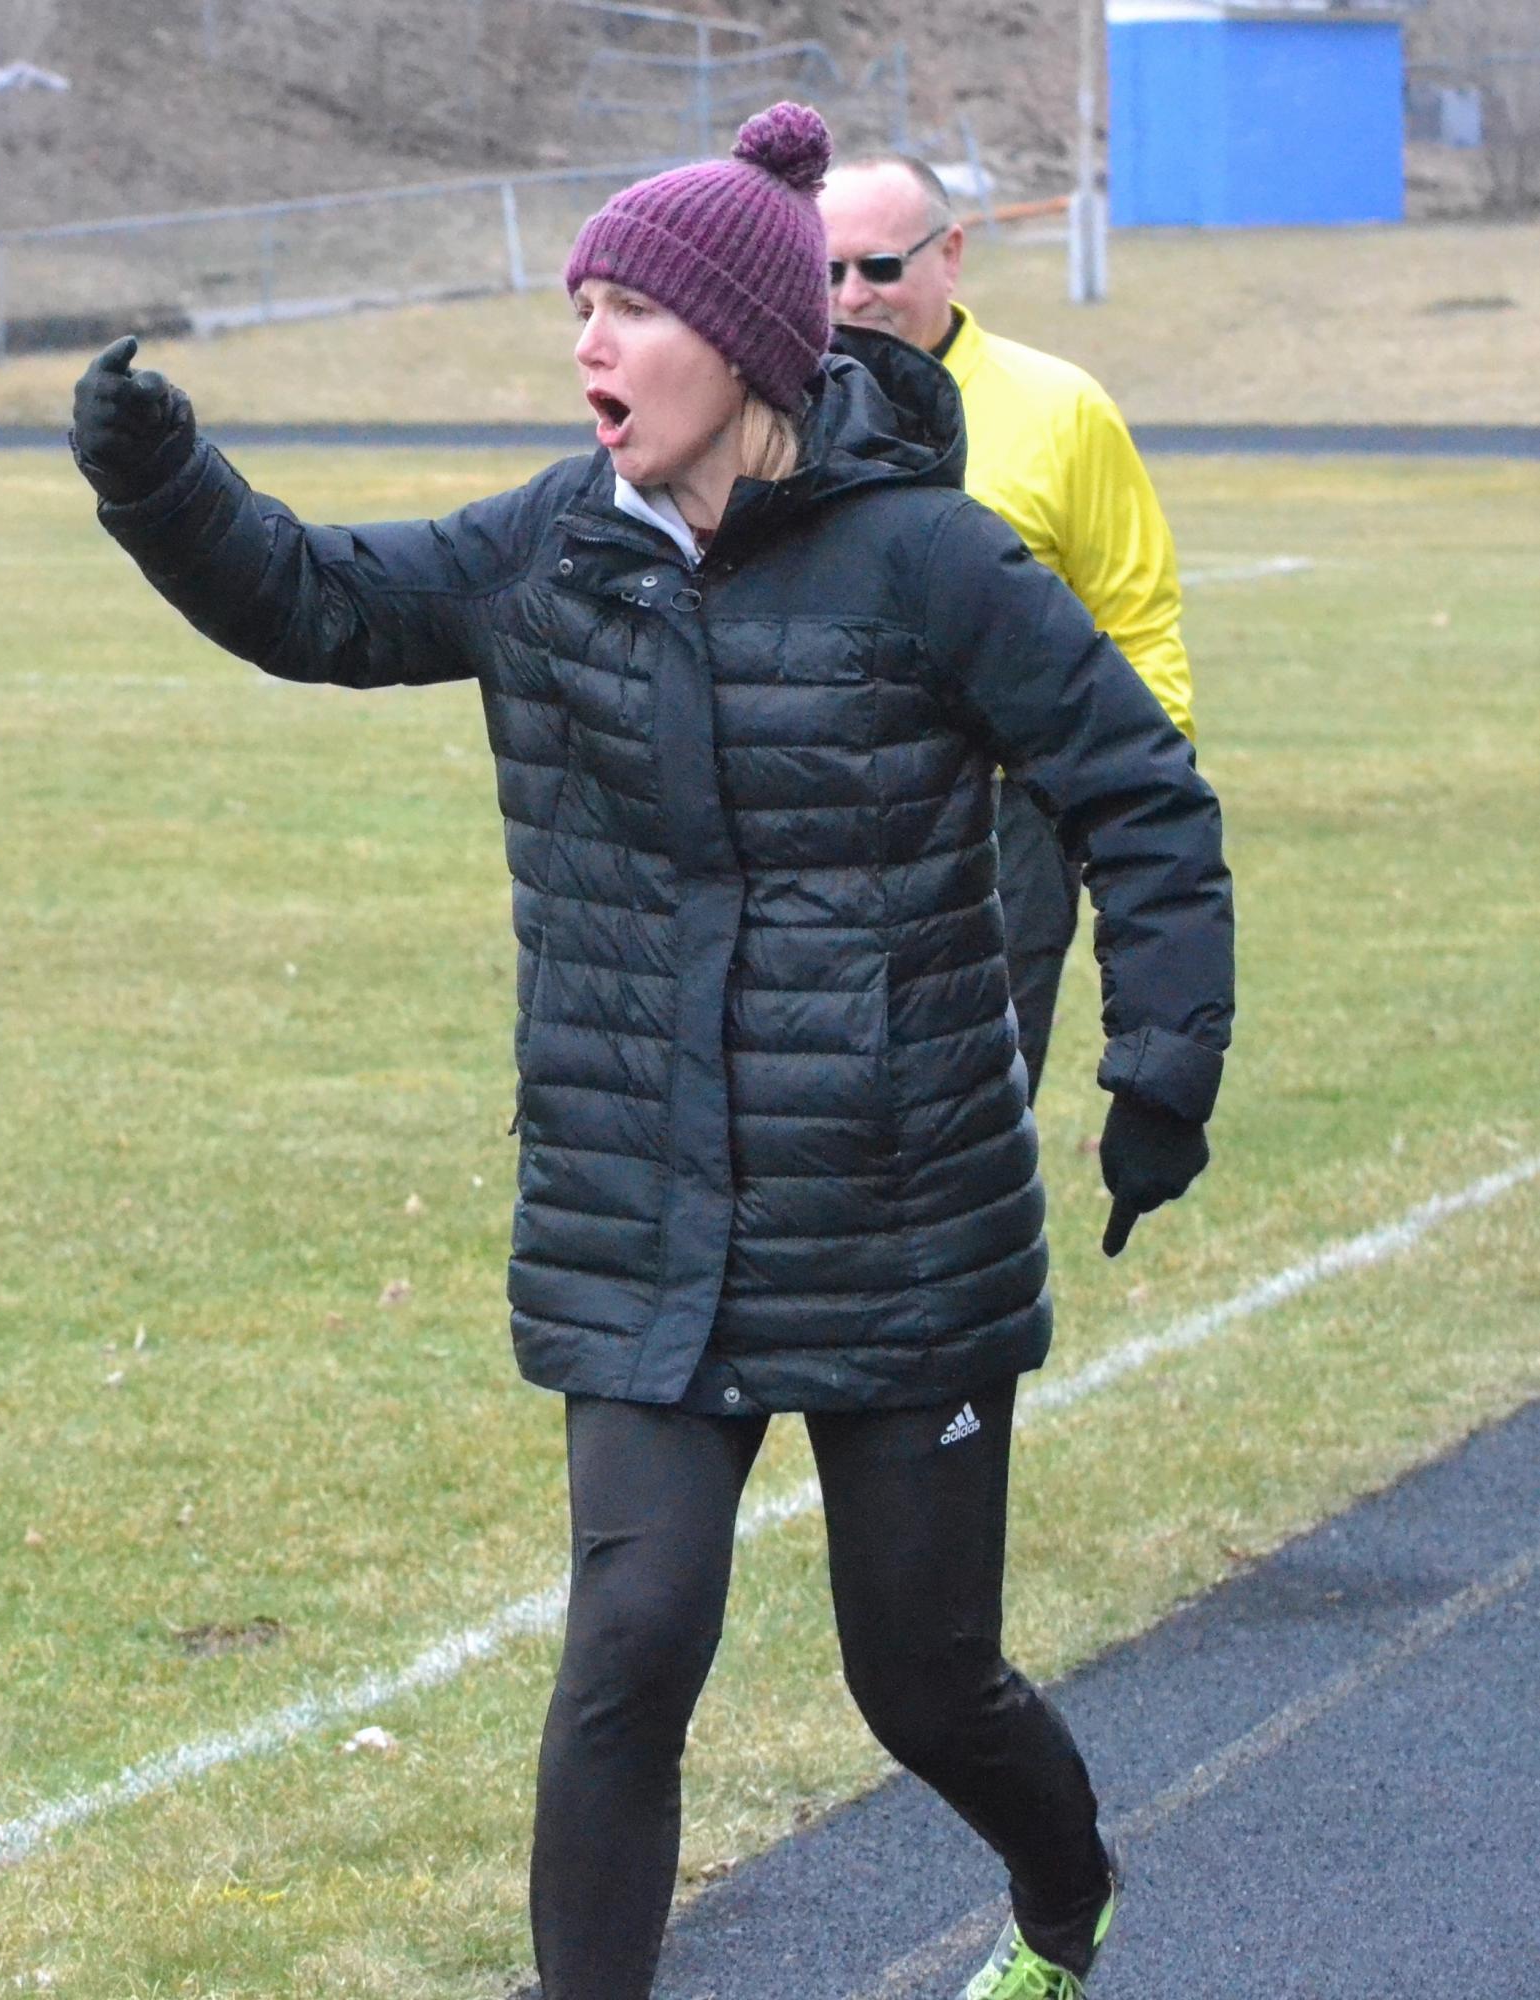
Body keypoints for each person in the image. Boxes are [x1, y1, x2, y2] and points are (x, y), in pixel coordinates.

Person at [71, 103, 1232, 2000]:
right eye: (578, 311)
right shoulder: (551, 547)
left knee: (922, 1679)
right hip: (642, 1222)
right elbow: (318, 601)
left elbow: (1139, 793)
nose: (589, 346)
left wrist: (1164, 1057)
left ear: (748, 349)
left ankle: (1062, 1892)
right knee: (630, 1646)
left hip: (900, 1222)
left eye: (628, 310)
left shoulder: (930, 562)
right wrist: (161, 479)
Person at [819, 155, 1195, 1104]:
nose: (851, 296)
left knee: (976, 1100)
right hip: (814, 806)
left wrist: (1137, 817)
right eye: (825, 271)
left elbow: (1134, 621)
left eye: (879, 267)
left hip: (1004, 821)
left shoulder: (1060, 409)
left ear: (949, 254)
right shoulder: (769, 408)